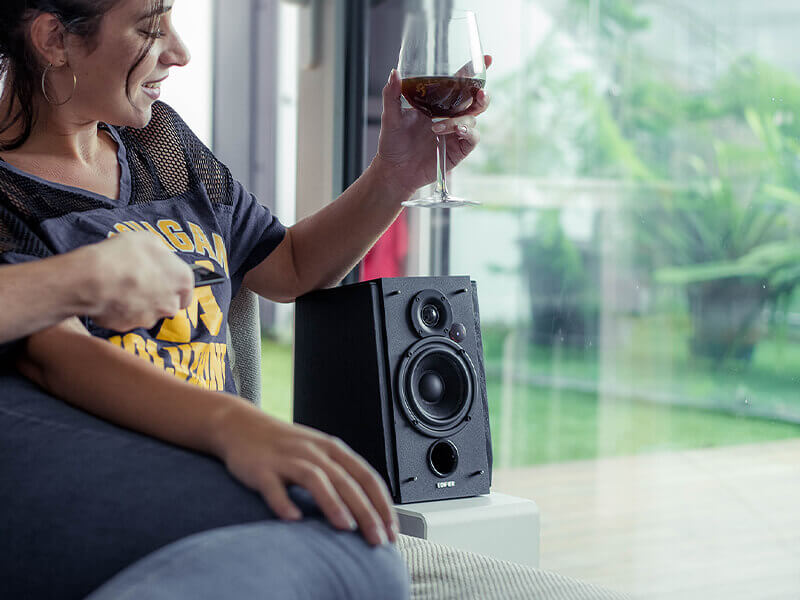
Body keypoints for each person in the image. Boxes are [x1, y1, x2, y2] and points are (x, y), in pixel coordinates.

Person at [0, 0, 491, 598]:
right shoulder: (10, 193)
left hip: (216, 466)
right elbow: (56, 354)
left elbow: (287, 267)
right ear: (54, 39)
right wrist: (241, 427)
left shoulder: (161, 142)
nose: (178, 51)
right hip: (120, 478)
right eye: (150, 29)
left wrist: (394, 174)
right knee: (348, 543)